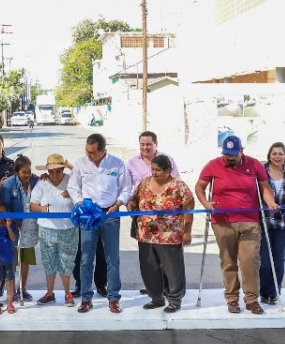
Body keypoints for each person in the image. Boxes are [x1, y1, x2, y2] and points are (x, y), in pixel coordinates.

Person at [195, 135, 278, 315]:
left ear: (241, 151)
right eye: (226, 154)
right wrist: (206, 204)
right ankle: (232, 299)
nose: (229, 157)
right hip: (223, 222)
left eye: (233, 154)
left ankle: (251, 299)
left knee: (250, 261)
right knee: (228, 261)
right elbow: (199, 187)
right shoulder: (213, 165)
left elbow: (264, 188)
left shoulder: (254, 165)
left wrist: (270, 202)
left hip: (250, 221)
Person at [68, 133, 132, 314]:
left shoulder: (117, 164)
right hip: (88, 216)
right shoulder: (80, 163)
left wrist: (118, 203)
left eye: (92, 152)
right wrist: (81, 204)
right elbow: (73, 187)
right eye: (87, 151)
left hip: (110, 214)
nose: (89, 155)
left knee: (113, 259)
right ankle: (86, 298)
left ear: (103, 151)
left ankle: (114, 298)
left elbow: (126, 188)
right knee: (86, 259)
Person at [129, 155, 194, 313]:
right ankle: (156, 298)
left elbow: (189, 209)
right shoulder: (145, 183)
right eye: (152, 169)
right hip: (146, 235)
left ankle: (175, 299)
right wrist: (131, 206)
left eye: (158, 170)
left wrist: (187, 232)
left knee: (173, 270)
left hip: (169, 235)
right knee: (149, 269)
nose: (154, 173)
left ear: (168, 170)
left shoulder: (179, 186)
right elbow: (134, 200)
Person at [127, 131, 179, 295]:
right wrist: (130, 204)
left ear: (156, 144)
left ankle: (168, 287)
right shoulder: (131, 163)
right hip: (143, 217)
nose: (145, 147)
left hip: (165, 216)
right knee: (148, 256)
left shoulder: (167, 159)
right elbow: (127, 187)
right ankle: (153, 287)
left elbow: (176, 183)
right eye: (142, 144)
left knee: (165, 254)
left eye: (149, 144)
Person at [29, 154, 77, 307]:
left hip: (68, 229)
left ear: (63, 169)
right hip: (46, 229)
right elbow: (33, 204)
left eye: (58, 171)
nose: (54, 175)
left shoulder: (72, 181)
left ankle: (68, 293)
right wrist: (41, 209)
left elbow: (86, 188)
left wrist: (73, 194)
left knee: (66, 262)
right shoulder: (42, 182)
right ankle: (50, 293)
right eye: (51, 171)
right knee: (49, 262)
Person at [259, 142, 285, 306]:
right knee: (264, 260)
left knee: (278, 258)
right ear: (269, 155)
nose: (277, 156)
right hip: (265, 221)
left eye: (280, 153)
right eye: (274, 153)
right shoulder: (261, 170)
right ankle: (263, 291)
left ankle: (274, 292)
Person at [0, 155, 39, 301]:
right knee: (13, 260)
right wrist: (12, 221)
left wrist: (44, 176)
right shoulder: (9, 184)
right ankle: (12, 291)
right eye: (24, 172)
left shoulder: (35, 181)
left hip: (31, 226)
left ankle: (22, 288)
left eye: (29, 171)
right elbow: (4, 206)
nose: (27, 175)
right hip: (15, 227)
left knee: (25, 259)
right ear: (17, 172)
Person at [0, 203, 19, 315]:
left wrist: (8, 226)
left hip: (8, 256)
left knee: (9, 280)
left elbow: (13, 239)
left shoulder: (10, 226)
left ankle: (10, 302)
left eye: (1, 213)